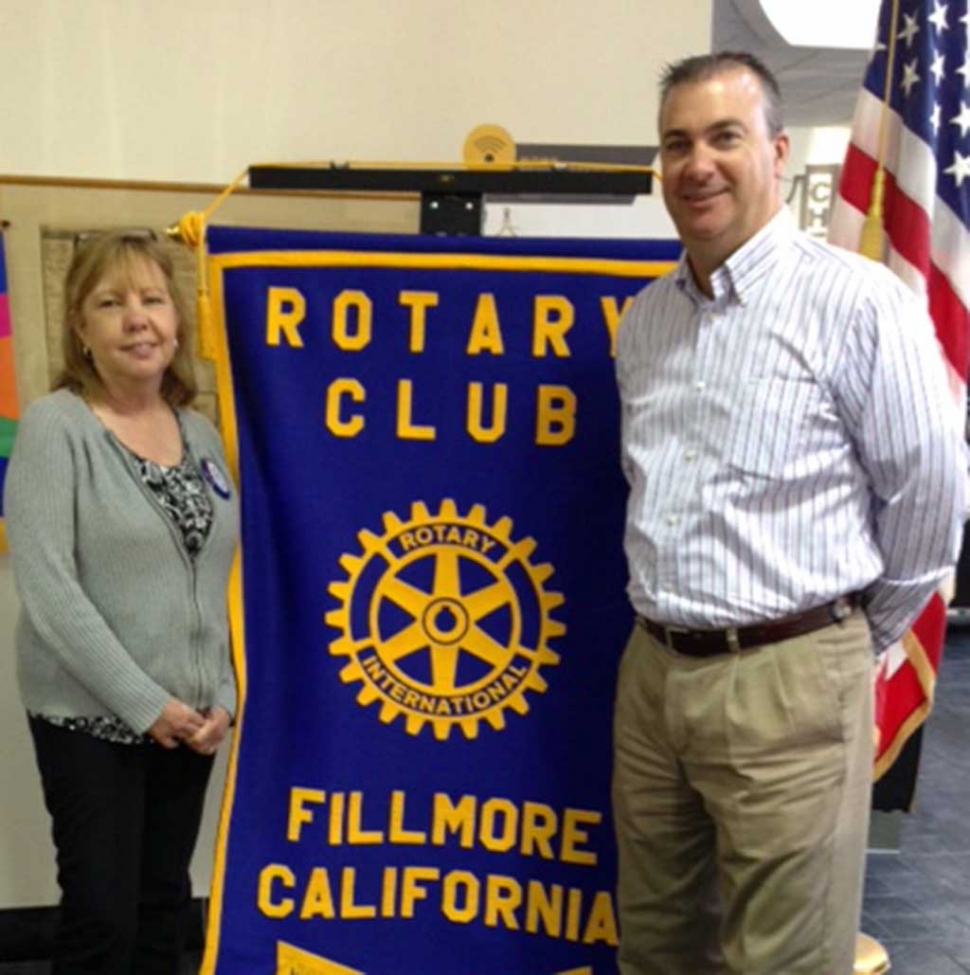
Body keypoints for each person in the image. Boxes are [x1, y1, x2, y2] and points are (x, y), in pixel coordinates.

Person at [612, 52, 966, 975]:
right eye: (677, 142)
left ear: (775, 152)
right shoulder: (644, 321)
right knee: (655, 943)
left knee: (785, 958)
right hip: (653, 673)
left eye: (724, 136)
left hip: (791, 679)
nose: (699, 163)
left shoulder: (858, 304)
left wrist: (835, 641)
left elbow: (931, 497)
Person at [4, 231, 239, 974]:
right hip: (92, 721)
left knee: (164, 909)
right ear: (80, 327)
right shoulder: (56, 426)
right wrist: (148, 704)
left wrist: (223, 695)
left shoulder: (201, 433)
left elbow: (220, 578)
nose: (136, 319)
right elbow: (47, 587)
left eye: (152, 299)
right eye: (111, 303)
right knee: (102, 921)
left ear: (176, 320)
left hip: (189, 724)